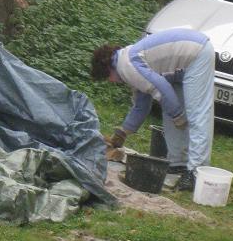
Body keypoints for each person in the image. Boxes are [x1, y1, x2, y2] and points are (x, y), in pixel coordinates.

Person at [90, 28, 216, 191]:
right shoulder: (125, 62)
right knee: (170, 110)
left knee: (197, 114)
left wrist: (177, 114)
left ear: (109, 70)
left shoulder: (126, 66)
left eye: (108, 78)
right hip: (181, 63)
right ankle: (179, 163)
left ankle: (195, 173)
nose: (112, 81)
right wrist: (123, 132)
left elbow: (161, 88)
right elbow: (141, 104)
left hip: (197, 54)